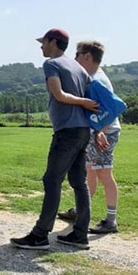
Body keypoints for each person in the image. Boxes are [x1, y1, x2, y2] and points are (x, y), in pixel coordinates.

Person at [11, 29, 99, 251]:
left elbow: (59, 95)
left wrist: (82, 102)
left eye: (44, 42)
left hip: (67, 131)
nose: (41, 46)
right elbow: (92, 93)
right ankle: (80, 234)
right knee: (79, 183)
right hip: (83, 130)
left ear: (54, 42)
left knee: (52, 181)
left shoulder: (52, 64)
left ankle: (40, 235)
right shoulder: (78, 67)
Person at [57, 41, 120, 234]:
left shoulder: (98, 80)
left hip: (105, 132)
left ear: (88, 56)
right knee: (90, 172)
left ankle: (111, 220)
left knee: (104, 174)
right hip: (97, 132)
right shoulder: (91, 76)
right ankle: (81, 211)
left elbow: (112, 108)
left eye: (78, 54)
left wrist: (101, 131)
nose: (75, 58)